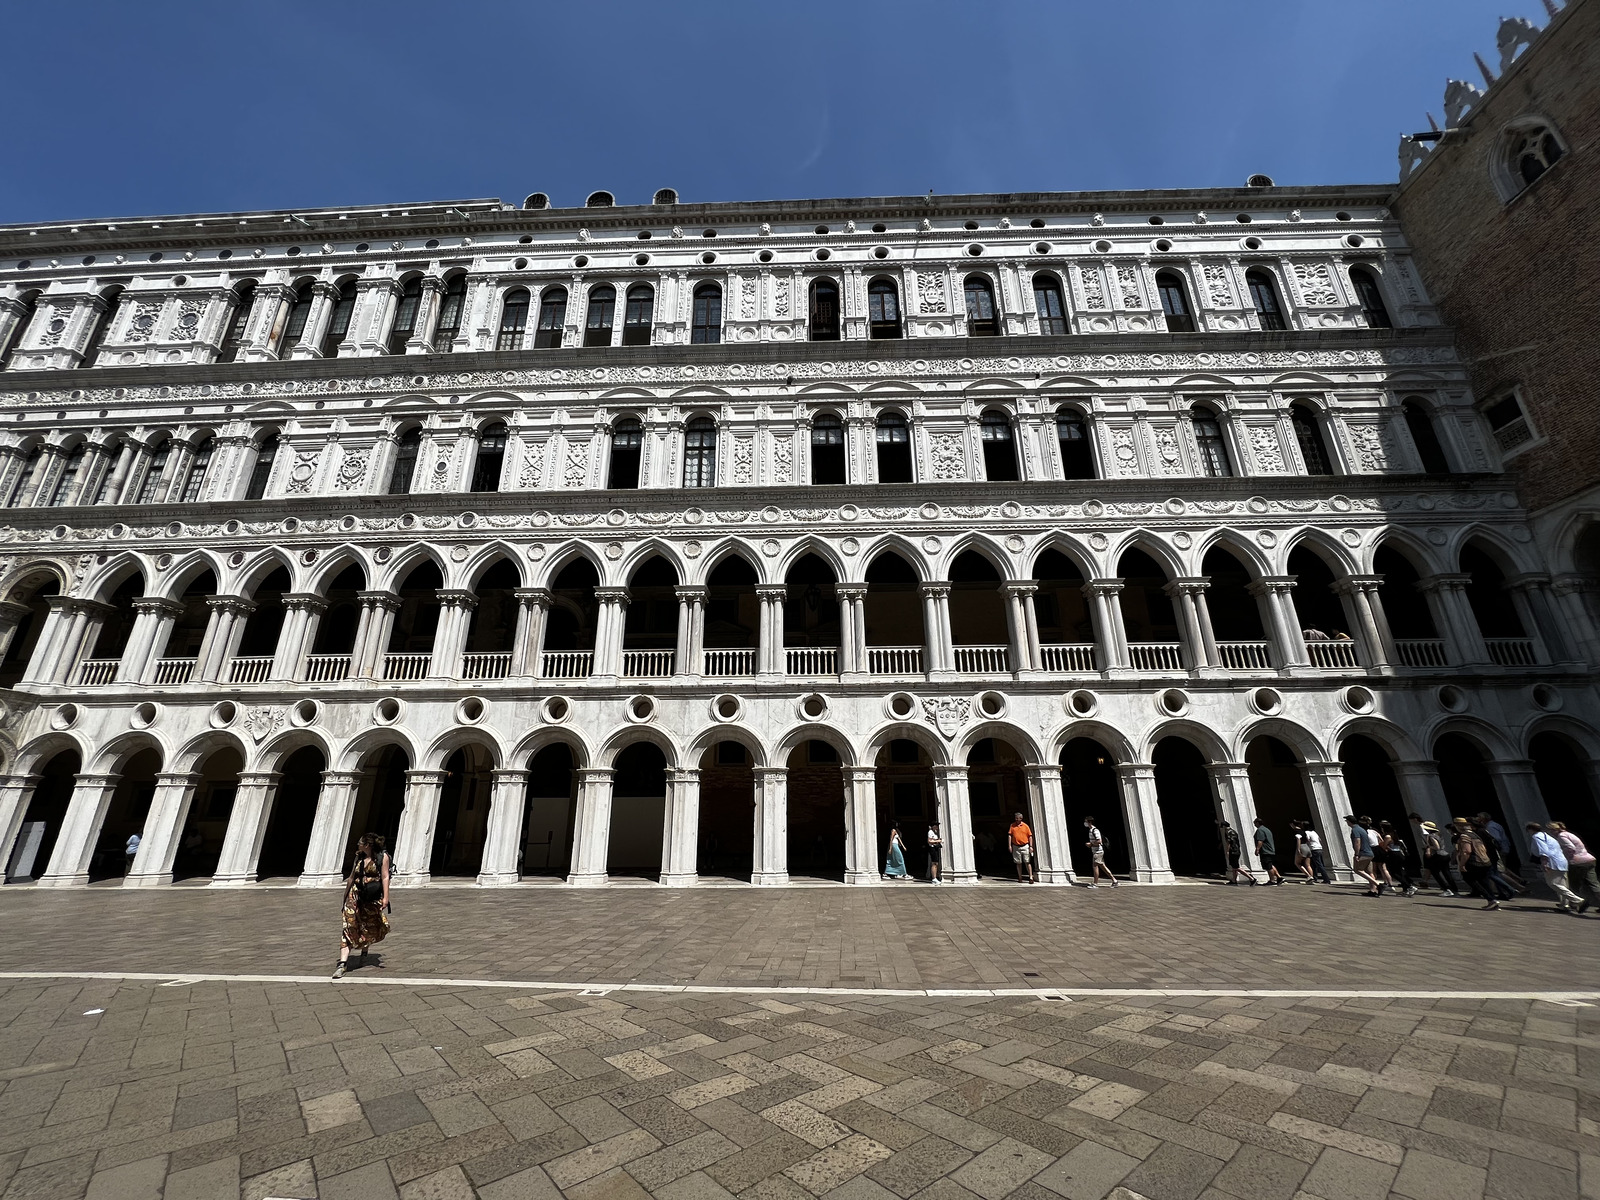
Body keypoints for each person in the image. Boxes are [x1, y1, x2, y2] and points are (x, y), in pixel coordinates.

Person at [333, 832, 390, 978]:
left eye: (360, 842)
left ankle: (364, 950)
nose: (357, 844)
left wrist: (385, 898)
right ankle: (343, 964)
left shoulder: (382, 857)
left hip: (371, 897)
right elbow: (351, 877)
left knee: (367, 925)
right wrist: (345, 896)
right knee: (349, 925)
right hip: (355, 896)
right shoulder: (359, 856)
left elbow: (385, 877)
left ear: (367, 845)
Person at [1526, 822, 1584, 913]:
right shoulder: (1548, 837)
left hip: (1552, 862)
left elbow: (1543, 850)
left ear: (1530, 830)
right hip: (1561, 861)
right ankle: (1564, 905)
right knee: (1562, 885)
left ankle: (1578, 900)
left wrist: (1544, 862)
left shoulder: (1537, 837)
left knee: (1553, 883)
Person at [1453, 817, 1499, 910]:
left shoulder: (1464, 836)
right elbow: (1484, 848)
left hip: (1473, 862)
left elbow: (1467, 851)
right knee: (1484, 881)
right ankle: (1493, 900)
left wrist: (1461, 865)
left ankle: (1490, 899)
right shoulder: (1475, 834)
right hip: (1485, 861)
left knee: (1470, 880)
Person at [1471, 815, 1519, 900]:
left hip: (1489, 855)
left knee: (1491, 874)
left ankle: (1510, 889)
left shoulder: (1480, 832)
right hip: (1493, 854)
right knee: (1496, 874)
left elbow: (1490, 842)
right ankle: (1502, 893)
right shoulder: (1484, 830)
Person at [1551, 823, 1597, 910]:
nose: (1550, 832)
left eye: (1551, 830)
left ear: (1555, 829)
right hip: (1589, 859)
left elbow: (1570, 847)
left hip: (1578, 862)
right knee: (1594, 884)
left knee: (1573, 884)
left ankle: (1576, 903)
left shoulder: (1561, 836)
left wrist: (1566, 856)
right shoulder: (1569, 834)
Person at [1417, 821, 1460, 896]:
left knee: (1435, 872)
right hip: (1445, 854)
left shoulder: (1431, 836)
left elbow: (1437, 847)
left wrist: (1428, 847)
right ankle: (1454, 888)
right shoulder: (1438, 834)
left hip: (1438, 855)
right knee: (1446, 872)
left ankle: (1446, 889)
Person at [1376, 821, 1417, 896]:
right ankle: (1406, 888)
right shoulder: (1394, 834)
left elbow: (1384, 846)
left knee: (1393, 872)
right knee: (1400, 871)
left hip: (1393, 854)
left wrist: (1381, 843)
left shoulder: (1387, 836)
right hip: (1399, 853)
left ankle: (1409, 886)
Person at [1344, 815, 1381, 894]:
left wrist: (1356, 854)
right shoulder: (1362, 829)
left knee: (1358, 870)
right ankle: (1373, 890)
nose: (1346, 822)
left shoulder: (1355, 830)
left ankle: (1378, 884)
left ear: (1349, 821)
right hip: (1370, 853)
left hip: (1363, 853)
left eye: (1346, 821)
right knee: (1369, 872)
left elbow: (1357, 842)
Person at [1084, 816, 1117, 888]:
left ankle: (1095, 883)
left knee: (1095, 866)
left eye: (1086, 821)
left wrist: (1091, 844)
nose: (1085, 823)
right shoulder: (1091, 830)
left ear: (1089, 822)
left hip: (1098, 852)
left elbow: (1099, 841)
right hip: (1096, 851)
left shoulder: (1095, 830)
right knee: (1103, 866)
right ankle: (1114, 880)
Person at [1219, 820, 1255, 885]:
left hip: (1233, 851)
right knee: (1234, 867)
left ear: (1224, 826)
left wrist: (1227, 851)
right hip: (1237, 851)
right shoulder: (1234, 831)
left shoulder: (1228, 832)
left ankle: (1251, 878)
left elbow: (1229, 842)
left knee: (1236, 867)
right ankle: (1234, 880)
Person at [1252, 817, 1284, 884]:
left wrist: (1257, 849)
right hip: (1270, 850)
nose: (1254, 825)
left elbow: (1260, 841)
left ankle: (1272, 880)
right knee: (1270, 864)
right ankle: (1279, 877)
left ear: (1258, 823)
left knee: (1268, 866)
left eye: (1255, 823)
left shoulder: (1260, 830)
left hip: (1265, 851)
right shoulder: (1267, 829)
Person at [1008, 813, 1036, 884]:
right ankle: (1020, 877)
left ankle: (1030, 877)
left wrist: (1031, 846)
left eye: (1018, 818)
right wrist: (1009, 845)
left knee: (1027, 862)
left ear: (1021, 818)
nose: (1017, 820)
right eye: (1016, 818)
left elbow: (1030, 836)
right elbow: (1010, 835)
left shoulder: (1025, 826)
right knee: (1018, 862)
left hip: (1025, 846)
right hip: (1016, 846)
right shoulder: (1012, 825)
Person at [926, 820, 943, 885]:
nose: (937, 827)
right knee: (934, 863)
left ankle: (935, 877)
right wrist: (939, 841)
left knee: (936, 863)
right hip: (932, 848)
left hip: (935, 848)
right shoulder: (930, 832)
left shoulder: (934, 832)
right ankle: (934, 878)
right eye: (936, 825)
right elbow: (929, 841)